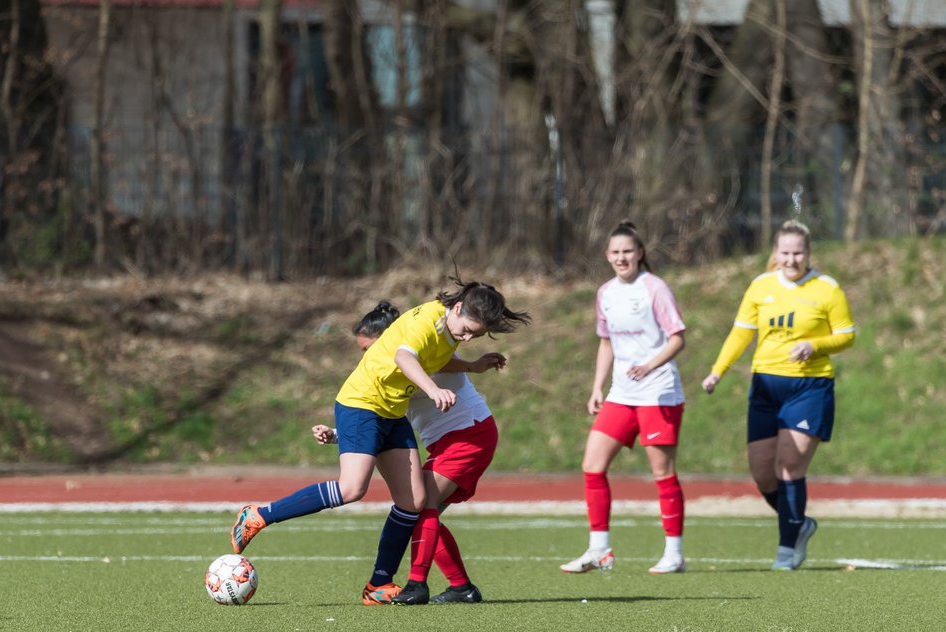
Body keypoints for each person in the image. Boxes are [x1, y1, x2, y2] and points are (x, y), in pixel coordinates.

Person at [230, 279, 531, 605]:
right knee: (352, 488)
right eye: (468, 329)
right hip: (363, 403)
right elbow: (405, 357)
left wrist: (471, 365)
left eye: (476, 334)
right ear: (457, 307)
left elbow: (436, 361)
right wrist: (432, 390)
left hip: (391, 411)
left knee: (414, 501)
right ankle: (259, 514)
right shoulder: (426, 321)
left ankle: (378, 584)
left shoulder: (449, 329)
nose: (469, 337)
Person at [312, 299, 513, 604]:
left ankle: (418, 584)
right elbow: (385, 420)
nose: (367, 356)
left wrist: (467, 368)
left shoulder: (422, 349)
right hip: (454, 438)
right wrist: (339, 435)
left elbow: (426, 366)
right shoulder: (398, 366)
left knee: (421, 503)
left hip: (468, 434)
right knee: (419, 508)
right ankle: (461, 588)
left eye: (369, 348)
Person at [700, 219, 856, 570]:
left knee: (788, 466)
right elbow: (741, 333)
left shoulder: (827, 289)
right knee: (762, 473)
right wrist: (717, 371)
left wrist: (814, 344)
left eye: (798, 252)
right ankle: (799, 523)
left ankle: (787, 549)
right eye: (785, 252)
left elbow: (847, 334)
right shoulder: (760, 286)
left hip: (809, 387)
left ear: (808, 253)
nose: (791, 259)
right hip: (765, 387)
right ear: (775, 253)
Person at [560, 220, 690, 576]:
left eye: (627, 251)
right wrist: (597, 387)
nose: (621, 258)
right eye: (615, 252)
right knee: (592, 465)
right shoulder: (606, 293)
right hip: (621, 394)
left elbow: (678, 337)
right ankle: (599, 550)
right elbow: (606, 342)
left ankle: (674, 553)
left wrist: (650, 365)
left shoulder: (655, 288)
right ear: (607, 256)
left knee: (662, 473)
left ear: (640, 253)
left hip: (657, 392)